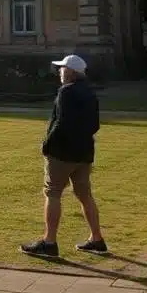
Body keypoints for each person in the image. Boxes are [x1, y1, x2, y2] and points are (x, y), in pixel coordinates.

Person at [21, 54, 106, 257]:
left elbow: (61, 123)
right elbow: (95, 125)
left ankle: (49, 242)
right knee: (85, 195)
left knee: (53, 192)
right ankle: (97, 238)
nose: (60, 72)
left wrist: (47, 144)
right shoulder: (90, 93)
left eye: (62, 69)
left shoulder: (66, 92)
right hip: (84, 152)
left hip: (62, 152)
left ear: (70, 72)